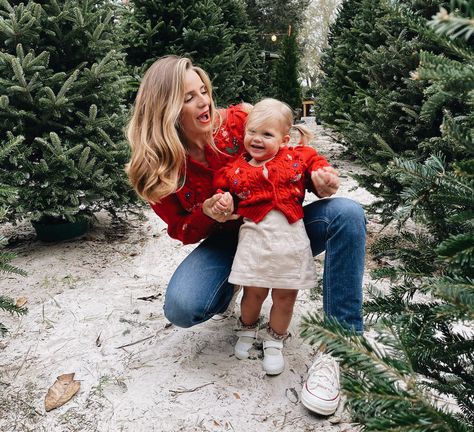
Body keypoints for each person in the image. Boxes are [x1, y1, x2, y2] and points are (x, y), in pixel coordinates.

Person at [126, 55, 366, 416]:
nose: (204, 101)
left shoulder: (238, 123)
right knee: (183, 306)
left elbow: (291, 154)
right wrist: (206, 213)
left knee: (347, 214)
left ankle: (339, 345)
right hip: (229, 241)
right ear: (166, 108)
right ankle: (238, 285)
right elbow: (181, 230)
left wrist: (319, 177)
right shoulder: (159, 165)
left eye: (203, 90)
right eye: (189, 97)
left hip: (285, 227)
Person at [212, 98, 332, 376]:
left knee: (285, 296)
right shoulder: (236, 169)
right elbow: (221, 188)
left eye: (267, 134)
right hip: (255, 242)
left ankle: (275, 339)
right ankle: (247, 327)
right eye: (252, 132)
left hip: (290, 243)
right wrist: (221, 201)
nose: (257, 139)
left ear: (284, 139)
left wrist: (323, 173)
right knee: (254, 291)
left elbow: (314, 160)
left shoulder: (295, 157)